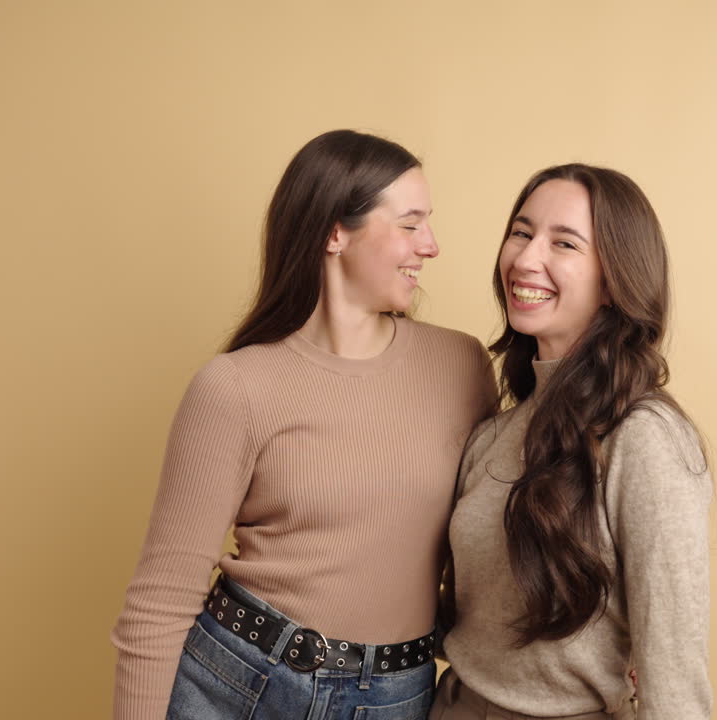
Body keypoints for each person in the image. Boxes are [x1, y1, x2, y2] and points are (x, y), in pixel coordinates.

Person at [111, 130, 495, 720]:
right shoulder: (234, 387)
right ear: (334, 232)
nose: (433, 245)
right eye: (411, 224)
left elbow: (495, 542)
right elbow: (161, 599)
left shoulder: (461, 366)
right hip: (241, 682)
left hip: (397, 695)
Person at [434, 165, 713, 719]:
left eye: (563, 242)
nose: (525, 258)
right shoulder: (494, 431)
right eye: (521, 232)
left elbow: (675, 669)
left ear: (615, 281)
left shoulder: (645, 437)